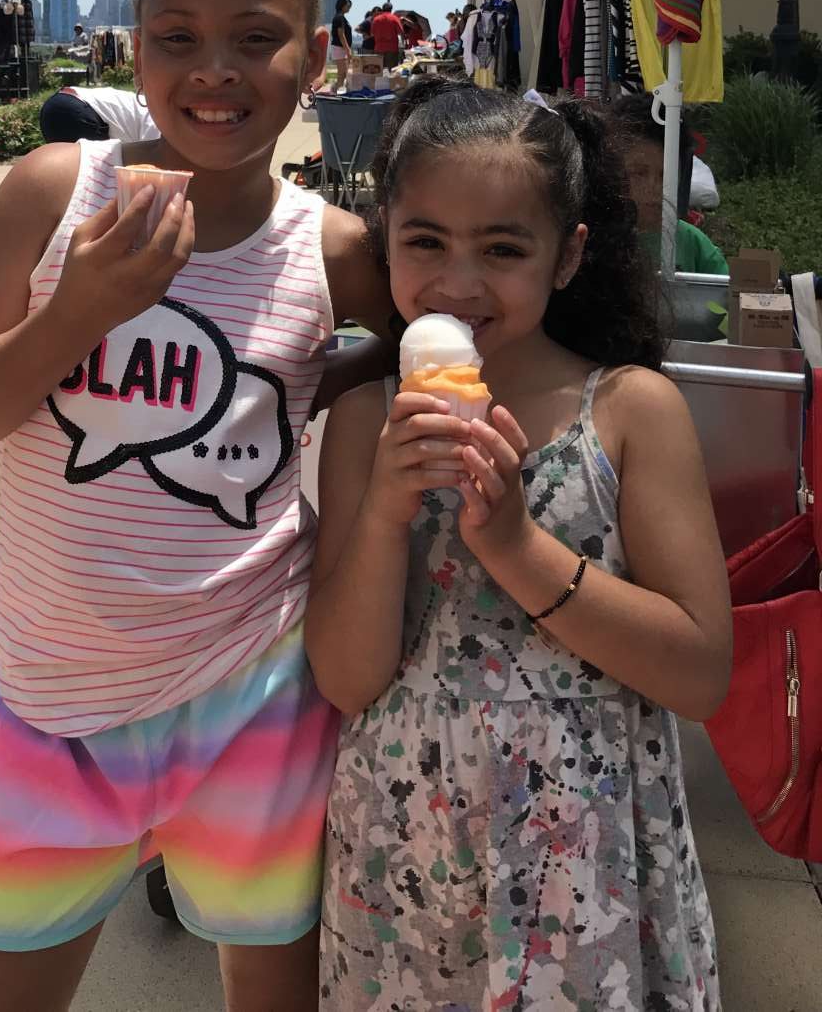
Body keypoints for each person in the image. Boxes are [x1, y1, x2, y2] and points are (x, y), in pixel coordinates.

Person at [0, 0, 399, 1012]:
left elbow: (379, 371)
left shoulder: (331, 249)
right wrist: (77, 310)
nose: (212, 71)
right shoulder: (55, 196)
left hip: (254, 700)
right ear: (135, 53)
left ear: (315, 60)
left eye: (255, 38)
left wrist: (313, 387)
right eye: (176, 38)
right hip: (53, 712)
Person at [306, 81, 729, 1008]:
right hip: (403, 856)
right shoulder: (360, 422)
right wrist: (382, 511)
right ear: (386, 240)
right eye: (426, 242)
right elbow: (344, 678)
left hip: (591, 866)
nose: (459, 282)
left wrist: (516, 545)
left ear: (567, 256)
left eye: (503, 248)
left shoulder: (628, 412)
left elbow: (700, 671)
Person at [608, 93, 729, 276]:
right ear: (612, 169)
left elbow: (726, 296)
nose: (654, 187)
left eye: (666, 175)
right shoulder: (596, 241)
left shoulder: (694, 245)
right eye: (639, 173)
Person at [38, 83, 157, 144]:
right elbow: (152, 159)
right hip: (78, 110)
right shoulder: (155, 118)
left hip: (55, 103)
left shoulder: (144, 104)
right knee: (99, 176)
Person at [327, 0, 353, 91]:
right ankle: (334, 92)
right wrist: (348, 50)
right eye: (348, 6)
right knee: (342, 74)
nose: (349, 8)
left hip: (340, 48)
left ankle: (335, 91)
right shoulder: (339, 17)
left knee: (343, 74)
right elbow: (341, 35)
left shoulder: (340, 17)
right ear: (342, 6)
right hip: (339, 48)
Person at [369, 2, 403, 69]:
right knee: (393, 71)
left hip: (379, 48)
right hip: (392, 48)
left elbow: (372, 34)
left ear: (382, 9)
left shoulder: (376, 19)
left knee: (378, 70)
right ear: (391, 9)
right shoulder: (394, 18)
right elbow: (400, 32)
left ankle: (379, 80)